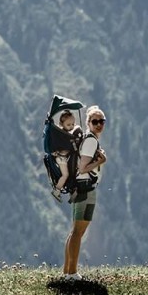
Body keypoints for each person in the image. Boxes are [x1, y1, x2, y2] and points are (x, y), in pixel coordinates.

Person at [63, 105, 107, 280]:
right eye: (95, 121)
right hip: (85, 188)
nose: (98, 124)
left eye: (101, 121)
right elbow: (82, 169)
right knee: (78, 232)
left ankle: (67, 272)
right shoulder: (90, 141)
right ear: (88, 123)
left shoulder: (88, 140)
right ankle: (72, 274)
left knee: (74, 232)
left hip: (80, 189)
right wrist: (101, 161)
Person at [51, 110, 83, 201]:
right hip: (61, 158)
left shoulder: (66, 134)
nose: (71, 127)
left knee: (74, 170)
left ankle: (72, 191)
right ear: (62, 124)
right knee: (65, 175)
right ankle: (56, 190)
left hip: (63, 158)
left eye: (73, 124)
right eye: (68, 125)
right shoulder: (63, 135)